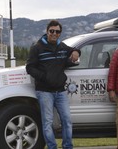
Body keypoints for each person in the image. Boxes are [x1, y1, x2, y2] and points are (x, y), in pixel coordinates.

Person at [26, 20, 80, 149]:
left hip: (60, 91)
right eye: (52, 31)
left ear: (60, 33)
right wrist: (45, 77)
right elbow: (30, 68)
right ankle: (52, 147)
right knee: (47, 123)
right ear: (47, 31)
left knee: (67, 120)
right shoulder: (37, 48)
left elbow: (73, 50)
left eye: (57, 31)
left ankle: (67, 146)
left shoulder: (62, 46)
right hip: (44, 92)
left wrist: (76, 52)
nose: (54, 34)